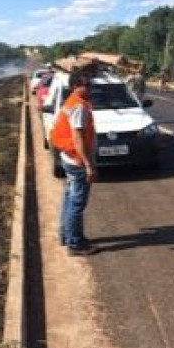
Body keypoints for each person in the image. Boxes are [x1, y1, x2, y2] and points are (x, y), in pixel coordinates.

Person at [51, 65, 98, 256]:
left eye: (91, 84)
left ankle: (66, 235)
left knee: (70, 198)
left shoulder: (73, 101)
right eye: (87, 85)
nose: (90, 88)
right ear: (76, 86)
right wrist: (88, 165)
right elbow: (78, 138)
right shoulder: (78, 106)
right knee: (77, 202)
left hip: (68, 157)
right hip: (77, 161)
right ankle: (74, 243)